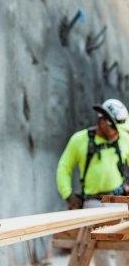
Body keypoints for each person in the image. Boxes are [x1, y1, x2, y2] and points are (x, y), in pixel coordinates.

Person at [56, 98, 129, 266]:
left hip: (118, 202)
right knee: (99, 250)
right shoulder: (80, 140)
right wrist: (68, 195)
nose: (117, 133)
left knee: (125, 248)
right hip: (93, 204)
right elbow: (63, 167)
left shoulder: (124, 140)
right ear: (103, 121)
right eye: (114, 129)